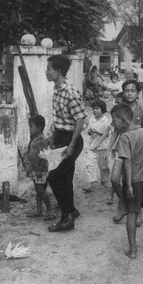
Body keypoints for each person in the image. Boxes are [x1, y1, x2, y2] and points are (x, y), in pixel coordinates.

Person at [111, 103, 143, 259]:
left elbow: (127, 161)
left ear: (123, 119)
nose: (113, 124)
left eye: (114, 120)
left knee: (132, 214)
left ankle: (133, 249)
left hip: (134, 182)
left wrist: (127, 185)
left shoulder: (125, 138)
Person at [46, 54, 88, 232]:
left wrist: (70, 146)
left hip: (72, 140)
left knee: (54, 177)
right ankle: (70, 210)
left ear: (58, 71)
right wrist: (53, 137)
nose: (46, 72)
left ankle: (67, 216)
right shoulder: (57, 90)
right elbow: (60, 119)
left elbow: (80, 120)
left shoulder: (70, 92)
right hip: (61, 137)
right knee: (65, 176)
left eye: (49, 69)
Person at [106, 80, 143, 225]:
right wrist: (108, 149)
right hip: (122, 150)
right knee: (114, 179)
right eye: (126, 90)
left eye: (132, 90)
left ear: (138, 93)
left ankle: (134, 211)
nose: (129, 93)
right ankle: (124, 205)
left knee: (131, 181)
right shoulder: (120, 109)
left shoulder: (142, 111)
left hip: (136, 154)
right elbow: (115, 131)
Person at [26, 115, 54, 220]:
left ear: (39, 128)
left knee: (41, 190)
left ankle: (49, 210)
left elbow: (44, 157)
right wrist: (30, 167)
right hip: (34, 169)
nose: (29, 129)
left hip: (40, 170)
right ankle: (39, 210)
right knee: (38, 190)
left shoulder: (42, 140)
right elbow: (31, 154)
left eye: (31, 127)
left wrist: (39, 170)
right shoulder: (34, 139)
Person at [82, 99, 111, 192]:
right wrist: (90, 132)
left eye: (97, 108)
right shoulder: (91, 120)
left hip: (103, 146)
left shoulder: (106, 120)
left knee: (103, 165)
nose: (95, 110)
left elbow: (107, 134)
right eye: (93, 108)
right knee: (89, 164)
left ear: (102, 109)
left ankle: (105, 180)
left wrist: (97, 132)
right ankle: (92, 183)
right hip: (92, 146)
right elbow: (89, 131)